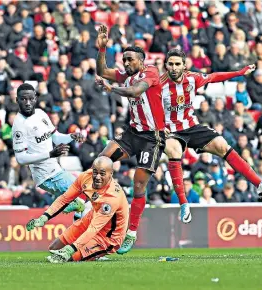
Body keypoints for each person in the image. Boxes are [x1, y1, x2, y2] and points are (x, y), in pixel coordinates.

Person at [161, 48, 262, 216]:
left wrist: (239, 72)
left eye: (177, 64)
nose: (173, 67)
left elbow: (214, 77)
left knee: (222, 145)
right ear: (166, 65)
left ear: (184, 66)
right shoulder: (157, 85)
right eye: (170, 64)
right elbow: (145, 106)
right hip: (170, 131)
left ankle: (259, 184)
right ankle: (183, 203)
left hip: (191, 126)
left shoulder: (192, 79)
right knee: (174, 151)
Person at [95, 25, 165, 254]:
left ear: (142, 61)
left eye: (130, 60)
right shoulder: (126, 75)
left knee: (138, 183)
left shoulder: (151, 73)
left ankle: (131, 232)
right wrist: (102, 49)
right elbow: (103, 70)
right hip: (133, 133)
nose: (126, 64)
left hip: (152, 138)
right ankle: (91, 204)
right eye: (124, 60)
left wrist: (111, 89)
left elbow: (136, 91)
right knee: (101, 161)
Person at [26, 157, 128, 263]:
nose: (97, 177)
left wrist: (71, 249)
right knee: (54, 249)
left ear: (111, 174)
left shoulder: (112, 197)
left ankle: (95, 253)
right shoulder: (85, 177)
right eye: (95, 172)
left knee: (68, 257)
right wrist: (44, 218)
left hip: (109, 237)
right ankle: (89, 253)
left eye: (102, 174)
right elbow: (64, 198)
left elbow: (94, 229)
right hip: (91, 218)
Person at [12, 83, 86, 218]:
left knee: (80, 204)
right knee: (87, 195)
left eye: (31, 99)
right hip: (46, 176)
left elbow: (56, 138)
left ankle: (75, 237)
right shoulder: (19, 125)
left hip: (56, 170)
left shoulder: (40, 113)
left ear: (36, 98)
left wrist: (71, 136)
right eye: (23, 99)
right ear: (17, 100)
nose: (28, 103)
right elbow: (20, 158)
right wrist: (50, 154)